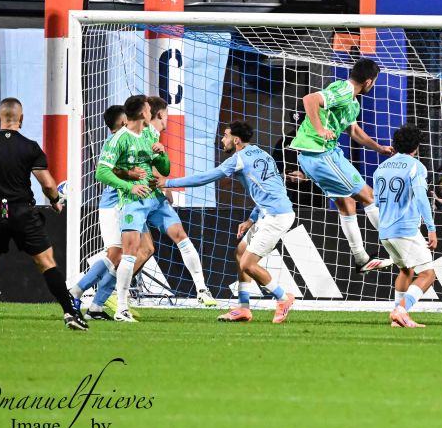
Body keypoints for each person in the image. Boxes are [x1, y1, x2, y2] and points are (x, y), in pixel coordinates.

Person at [0, 98, 87, 331]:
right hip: (21, 210)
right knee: (47, 263)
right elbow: (48, 183)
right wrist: (54, 201)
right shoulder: (30, 147)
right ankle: (70, 314)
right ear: (21, 118)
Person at [158, 121, 297, 323]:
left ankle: (283, 298)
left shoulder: (238, 159)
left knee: (248, 264)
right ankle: (243, 308)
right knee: (240, 252)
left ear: (236, 140)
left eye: (225, 136)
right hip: (272, 211)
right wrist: (251, 219)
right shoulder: (262, 154)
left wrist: (168, 182)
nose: (222, 140)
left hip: (276, 216)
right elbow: (271, 191)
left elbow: (206, 177)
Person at [288, 58, 394, 274]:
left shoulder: (353, 102)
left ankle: (361, 258)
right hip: (322, 154)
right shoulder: (344, 89)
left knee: (347, 204)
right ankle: (399, 247)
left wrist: (378, 148)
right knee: (369, 196)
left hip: (317, 157)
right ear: (368, 81)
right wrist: (319, 130)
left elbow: (354, 131)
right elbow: (309, 99)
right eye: (374, 82)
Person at [95, 95, 170, 322]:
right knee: (128, 252)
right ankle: (119, 307)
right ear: (141, 114)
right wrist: (130, 186)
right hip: (129, 202)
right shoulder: (119, 139)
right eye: (149, 109)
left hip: (151, 200)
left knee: (145, 249)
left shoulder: (149, 135)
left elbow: (164, 169)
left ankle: (99, 298)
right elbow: (101, 172)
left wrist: (162, 153)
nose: (152, 113)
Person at [140, 96, 216, 306]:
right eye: (167, 115)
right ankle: (108, 289)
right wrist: (165, 187)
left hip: (156, 198)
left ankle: (202, 289)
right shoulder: (144, 134)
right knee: (133, 250)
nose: (168, 120)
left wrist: (164, 188)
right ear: (161, 114)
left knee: (180, 235)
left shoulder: (154, 136)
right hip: (138, 197)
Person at [372, 124, 438, 328]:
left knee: (406, 271)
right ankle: (400, 310)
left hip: (385, 231)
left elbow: (377, 202)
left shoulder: (381, 168)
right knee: (428, 274)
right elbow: (421, 197)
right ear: (416, 146)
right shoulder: (415, 166)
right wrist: (431, 227)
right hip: (405, 230)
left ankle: (398, 319)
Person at [68, 105, 127, 320]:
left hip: (119, 205)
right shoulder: (116, 142)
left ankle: (96, 308)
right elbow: (103, 173)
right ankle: (77, 289)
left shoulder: (122, 140)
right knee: (115, 254)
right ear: (122, 122)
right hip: (113, 205)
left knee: (120, 256)